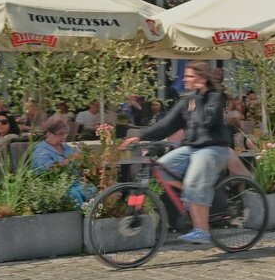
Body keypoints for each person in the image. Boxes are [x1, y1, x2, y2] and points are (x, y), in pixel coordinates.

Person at [120, 62, 233, 245]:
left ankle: (201, 230)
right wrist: (140, 137)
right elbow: (167, 124)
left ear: (202, 78)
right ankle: (195, 195)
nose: (184, 79)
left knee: (194, 182)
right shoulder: (187, 99)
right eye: (185, 76)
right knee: (162, 168)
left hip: (212, 148)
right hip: (192, 148)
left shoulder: (215, 97)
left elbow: (208, 120)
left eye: (189, 76)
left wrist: (198, 99)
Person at [31, 116, 95, 207]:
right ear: (49, 134)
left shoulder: (65, 147)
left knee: (91, 190)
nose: (63, 138)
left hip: (74, 182)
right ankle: (81, 218)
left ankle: (95, 216)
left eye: (65, 134)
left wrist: (84, 161)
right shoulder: (41, 150)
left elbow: (78, 163)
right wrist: (68, 161)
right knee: (73, 195)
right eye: (60, 134)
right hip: (56, 185)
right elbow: (47, 171)